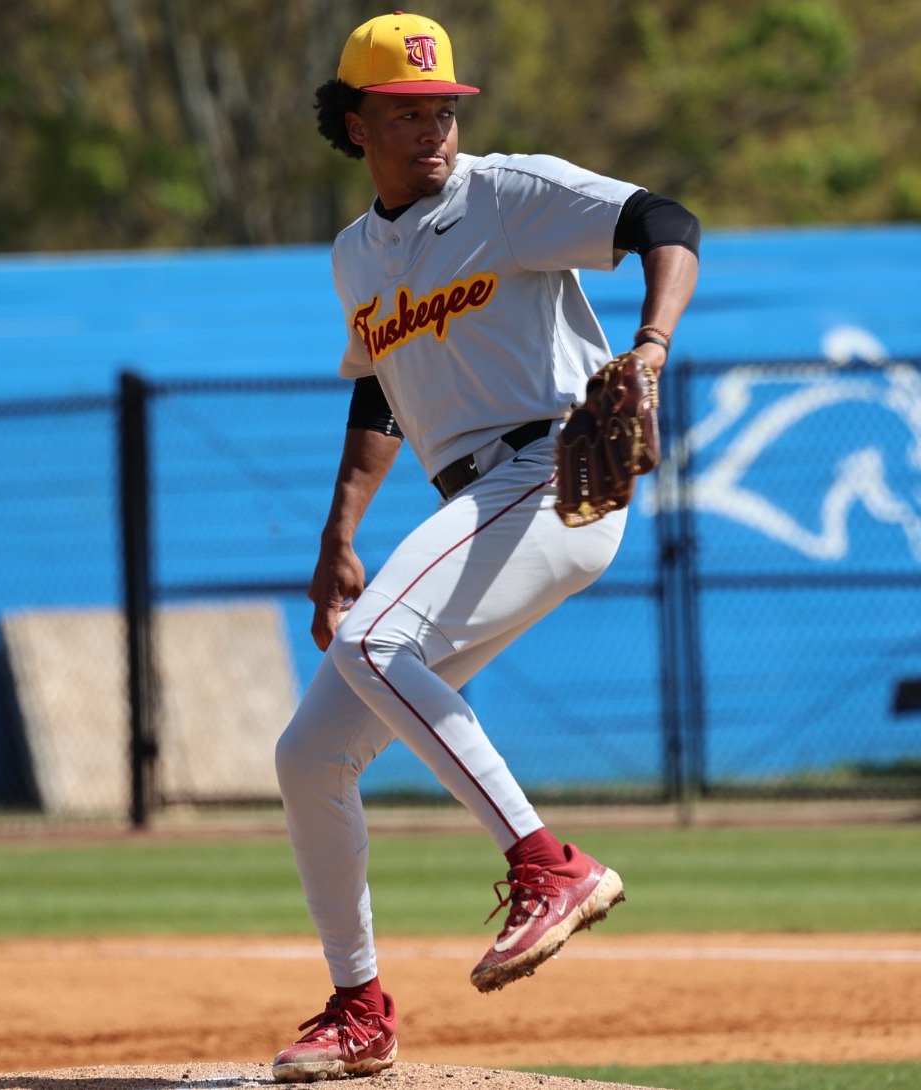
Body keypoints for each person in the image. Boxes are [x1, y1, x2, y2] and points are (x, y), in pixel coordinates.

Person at [270, 11, 700, 1082]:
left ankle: (546, 863)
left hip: (554, 470)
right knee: (309, 755)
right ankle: (360, 1003)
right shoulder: (355, 255)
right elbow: (380, 385)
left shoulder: (507, 195)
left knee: (372, 646)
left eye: (444, 109)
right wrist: (341, 530)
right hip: (476, 499)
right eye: (409, 112)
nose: (434, 129)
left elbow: (666, 216)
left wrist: (648, 346)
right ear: (355, 122)